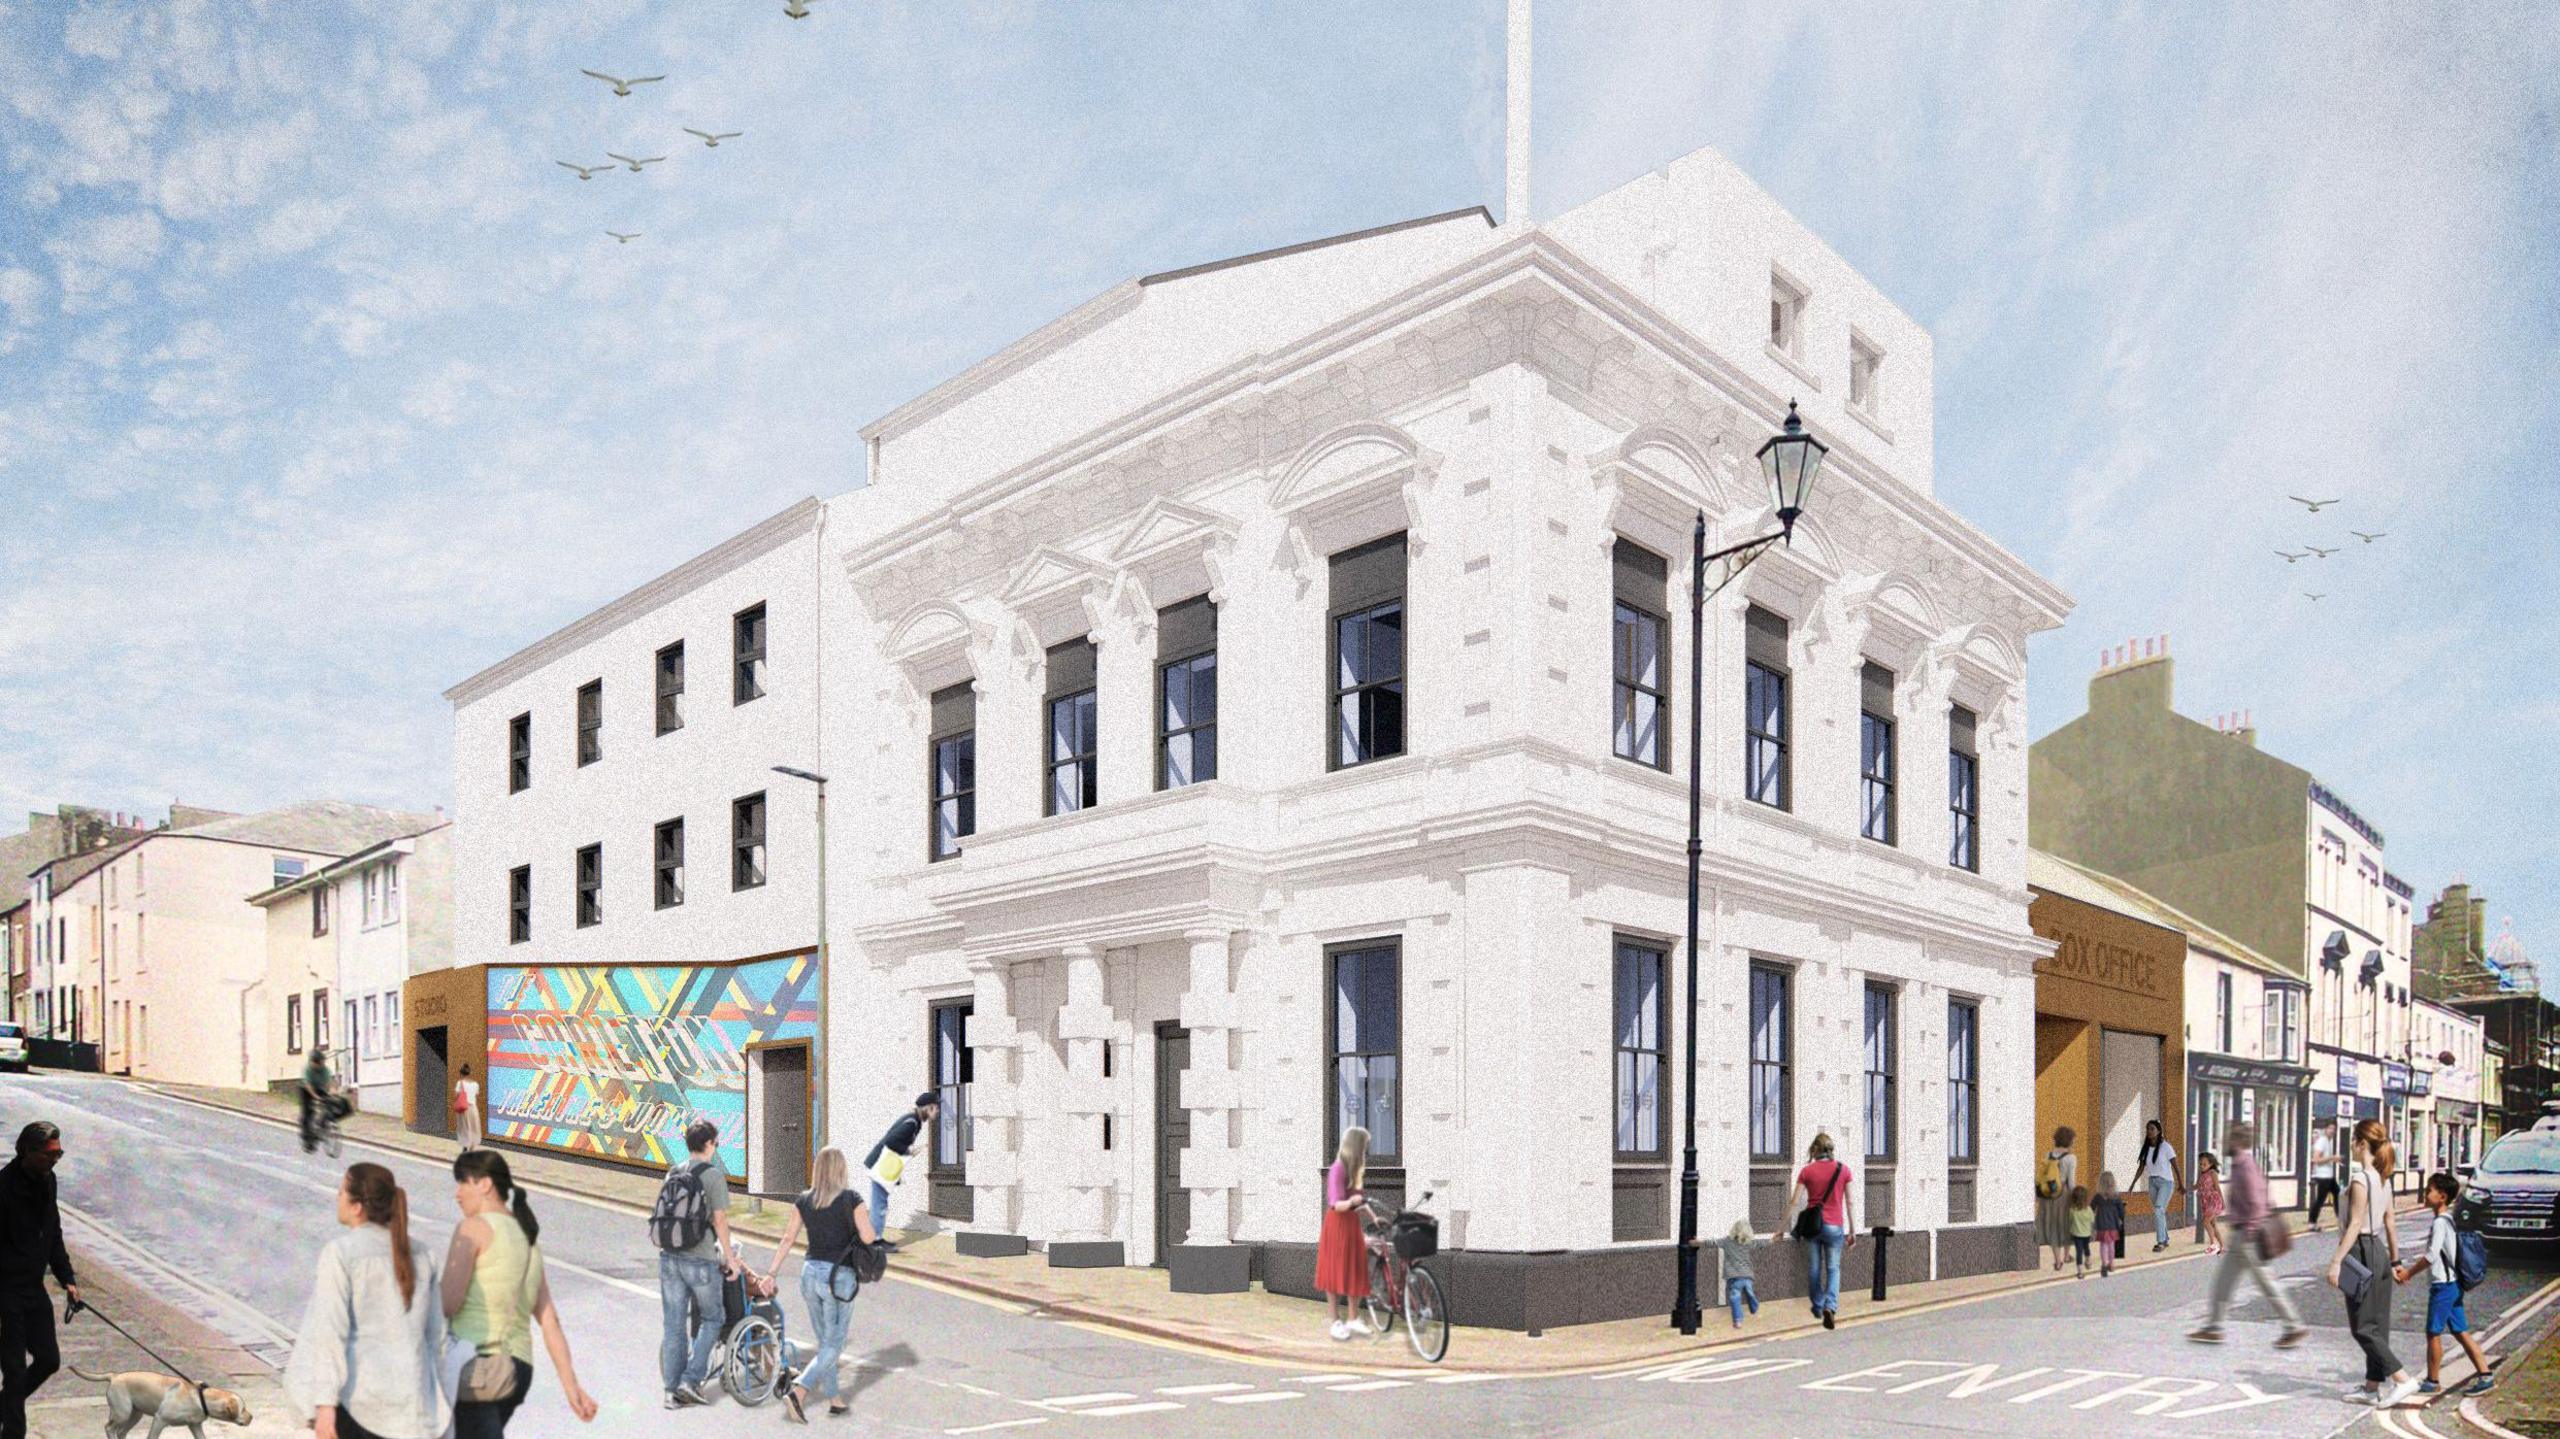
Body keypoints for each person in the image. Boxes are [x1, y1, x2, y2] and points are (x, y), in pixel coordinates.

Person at [285, 1164, 449, 1439]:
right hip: (413, 1411)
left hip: (361, 1407)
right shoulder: (424, 1255)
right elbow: (437, 1339)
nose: (337, 1197)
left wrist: (324, 1405)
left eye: (341, 1192)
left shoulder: (341, 1253)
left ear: (357, 1207)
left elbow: (330, 1333)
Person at [442, 1150, 596, 1436]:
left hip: (480, 1366)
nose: (457, 1193)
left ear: (485, 1184)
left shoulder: (473, 1228)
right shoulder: (528, 1239)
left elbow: (448, 1303)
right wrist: (571, 1385)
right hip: (519, 1370)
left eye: (463, 1182)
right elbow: (549, 1320)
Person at [762, 1148, 880, 1423]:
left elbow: (788, 1238)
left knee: (826, 1344)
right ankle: (799, 1391)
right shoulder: (852, 1199)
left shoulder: (804, 1200)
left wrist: (771, 1273)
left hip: (810, 1275)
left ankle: (835, 1399)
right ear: (841, 1169)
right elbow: (868, 1237)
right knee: (833, 1345)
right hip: (839, 1279)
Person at [2188, 1121, 2309, 1349]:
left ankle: (2293, 1327)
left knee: (2266, 1283)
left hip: (2248, 1236)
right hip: (2241, 1235)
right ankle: (2214, 1327)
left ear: (2237, 1141)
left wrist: (2250, 1232)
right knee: (2224, 1282)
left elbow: (2256, 1201)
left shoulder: (2245, 1166)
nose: (2224, 1141)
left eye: (2228, 1138)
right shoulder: (2241, 1164)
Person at [2328, 1117, 2415, 1408]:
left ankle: (2402, 1379)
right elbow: (2390, 1222)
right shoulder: (2382, 1178)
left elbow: (2355, 1224)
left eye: (2353, 1141)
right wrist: (2395, 1261)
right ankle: (2371, 1388)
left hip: (2360, 1252)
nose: (2351, 1146)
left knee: (2363, 1327)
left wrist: (2336, 1262)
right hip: (2379, 1251)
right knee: (2377, 1325)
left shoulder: (2360, 1179)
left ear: (2362, 1143)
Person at [653, 1120, 737, 1410]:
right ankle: (690, 1380)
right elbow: (720, 1221)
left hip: (669, 1257)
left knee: (674, 1326)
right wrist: (731, 1259)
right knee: (713, 1318)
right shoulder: (713, 1176)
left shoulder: (673, 1172)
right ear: (709, 1144)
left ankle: (671, 1392)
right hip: (700, 1260)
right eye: (716, 1143)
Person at [0, 1123, 77, 1439]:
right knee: (14, 1370)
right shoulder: (3, 1189)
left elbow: (52, 1231)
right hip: (6, 1291)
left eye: (59, 1153)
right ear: (28, 1152)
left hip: (33, 1288)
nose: (55, 1160)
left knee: (48, 1360)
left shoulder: (48, 1180)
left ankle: (4, 1407)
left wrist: (67, 1278)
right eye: (49, 1154)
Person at [2395, 1173, 2496, 1397]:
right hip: (2453, 1284)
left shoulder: (2440, 1222)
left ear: (2441, 1196)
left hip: (2444, 1286)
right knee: (2460, 1331)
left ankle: (2432, 1381)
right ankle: (2486, 1375)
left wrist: (2408, 1273)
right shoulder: (2448, 1219)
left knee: (2433, 1333)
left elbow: (2431, 1256)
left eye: (2429, 1190)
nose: (2425, 1193)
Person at [1786, 1133, 1856, 1328]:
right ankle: (1830, 1306)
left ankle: (1818, 1304)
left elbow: (1794, 1202)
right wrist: (1852, 1231)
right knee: (1833, 1268)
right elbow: (1850, 1202)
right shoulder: (1844, 1170)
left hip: (1813, 1227)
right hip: (1835, 1226)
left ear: (1814, 1150)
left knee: (1814, 1268)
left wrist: (1781, 1228)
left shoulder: (1807, 1171)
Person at [1314, 1126, 1371, 1341]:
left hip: (1351, 1224)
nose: (1365, 1151)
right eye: (1363, 1146)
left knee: (1355, 1269)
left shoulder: (1356, 1171)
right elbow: (1336, 1204)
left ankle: (1353, 1318)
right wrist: (1352, 1201)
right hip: (1337, 1225)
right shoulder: (1337, 1169)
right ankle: (1335, 1320)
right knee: (1335, 1270)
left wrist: (1375, 1218)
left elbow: (1359, 1203)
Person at [862, 1093, 939, 1242]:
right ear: (928, 1108)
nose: (937, 1111)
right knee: (879, 1204)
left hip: (881, 1166)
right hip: (880, 1167)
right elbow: (891, 1142)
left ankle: (874, 1238)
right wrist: (909, 1150)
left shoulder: (913, 1120)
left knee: (880, 1203)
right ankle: (874, 1241)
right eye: (935, 1108)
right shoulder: (912, 1123)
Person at [2133, 1119, 2184, 1252]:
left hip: (2166, 1183)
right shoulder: (2146, 1148)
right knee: (2159, 1212)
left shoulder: (2166, 1147)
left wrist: (2181, 1183)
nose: (2149, 1131)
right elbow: (2141, 1167)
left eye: (2152, 1129)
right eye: (2147, 1129)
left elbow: (2175, 1166)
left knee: (2158, 1210)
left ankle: (2160, 1242)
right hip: (2152, 1182)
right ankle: (2165, 1239)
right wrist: (2133, 1183)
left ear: (2158, 1131)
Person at [2035, 1127, 2078, 1273]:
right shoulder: (2071, 1158)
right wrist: (2075, 1197)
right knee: (2066, 1224)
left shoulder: (2048, 1155)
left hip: (2048, 1195)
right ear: (2069, 1140)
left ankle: (2057, 1260)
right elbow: (2071, 1182)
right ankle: (2066, 1255)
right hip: (2063, 1195)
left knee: (2053, 1226)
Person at [1714, 1219, 1764, 1329]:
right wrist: (1774, 1239)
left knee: (1735, 1296)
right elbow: (1761, 1243)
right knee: (1748, 1290)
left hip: (1733, 1276)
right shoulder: (1748, 1242)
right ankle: (1753, 1302)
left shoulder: (1727, 1241)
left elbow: (1713, 1243)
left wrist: (1698, 1242)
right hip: (1747, 1275)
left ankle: (1738, 1321)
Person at [2307, 1122, 2341, 1232]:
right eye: (2330, 1128)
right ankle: (2312, 1223)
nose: (2332, 1131)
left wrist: (2332, 1159)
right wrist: (2332, 1158)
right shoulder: (2322, 1141)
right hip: (2323, 1176)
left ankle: (2341, 1219)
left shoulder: (2327, 1141)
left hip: (2328, 1176)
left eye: (2334, 1129)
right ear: (2325, 1129)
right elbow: (2316, 1159)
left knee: (2337, 1194)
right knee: (2321, 1199)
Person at [2091, 1172, 2125, 1278]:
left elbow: (2091, 1208)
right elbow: (2122, 1211)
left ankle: (2104, 1264)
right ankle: (2112, 1264)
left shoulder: (2098, 1196)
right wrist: (2121, 1219)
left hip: (2101, 1224)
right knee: (2111, 1245)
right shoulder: (2116, 1196)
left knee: (2103, 1245)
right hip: (2113, 1224)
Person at [302, 1049, 337, 1153]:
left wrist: (332, 1091)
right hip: (306, 1091)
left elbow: (330, 1082)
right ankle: (307, 1139)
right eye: (320, 1063)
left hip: (319, 1088)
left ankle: (322, 1125)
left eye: (323, 1062)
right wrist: (315, 1097)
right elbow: (308, 1085)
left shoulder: (325, 1070)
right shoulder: (308, 1070)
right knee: (308, 1113)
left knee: (329, 1105)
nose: (322, 1064)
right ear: (314, 1062)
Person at [2196, 1151, 2226, 1255]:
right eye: (2200, 1164)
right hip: (2206, 1202)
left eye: (2204, 1164)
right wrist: (2185, 1189)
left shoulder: (2212, 1173)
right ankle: (2222, 1246)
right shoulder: (2201, 1174)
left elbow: (2217, 1187)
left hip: (2214, 1201)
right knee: (2213, 1224)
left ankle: (2213, 1245)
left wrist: (2223, 1201)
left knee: (2205, 1222)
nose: (2202, 1166)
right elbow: (2197, 1186)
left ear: (2211, 1164)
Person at [2068, 1185, 2096, 1279]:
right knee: (2087, 1248)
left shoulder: (2072, 1210)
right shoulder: (2088, 1209)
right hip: (2087, 1234)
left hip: (2076, 1235)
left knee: (2079, 1252)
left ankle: (2080, 1272)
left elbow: (2070, 1221)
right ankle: (2088, 1261)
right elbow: (2092, 1220)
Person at [453, 1066, 481, 1154]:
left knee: (464, 1127)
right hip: (473, 1108)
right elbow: (476, 1095)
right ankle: (472, 1147)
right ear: (470, 1073)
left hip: (464, 1108)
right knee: (474, 1127)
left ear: (461, 1073)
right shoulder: (475, 1084)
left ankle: (465, 1147)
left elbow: (456, 1095)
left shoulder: (460, 1083)